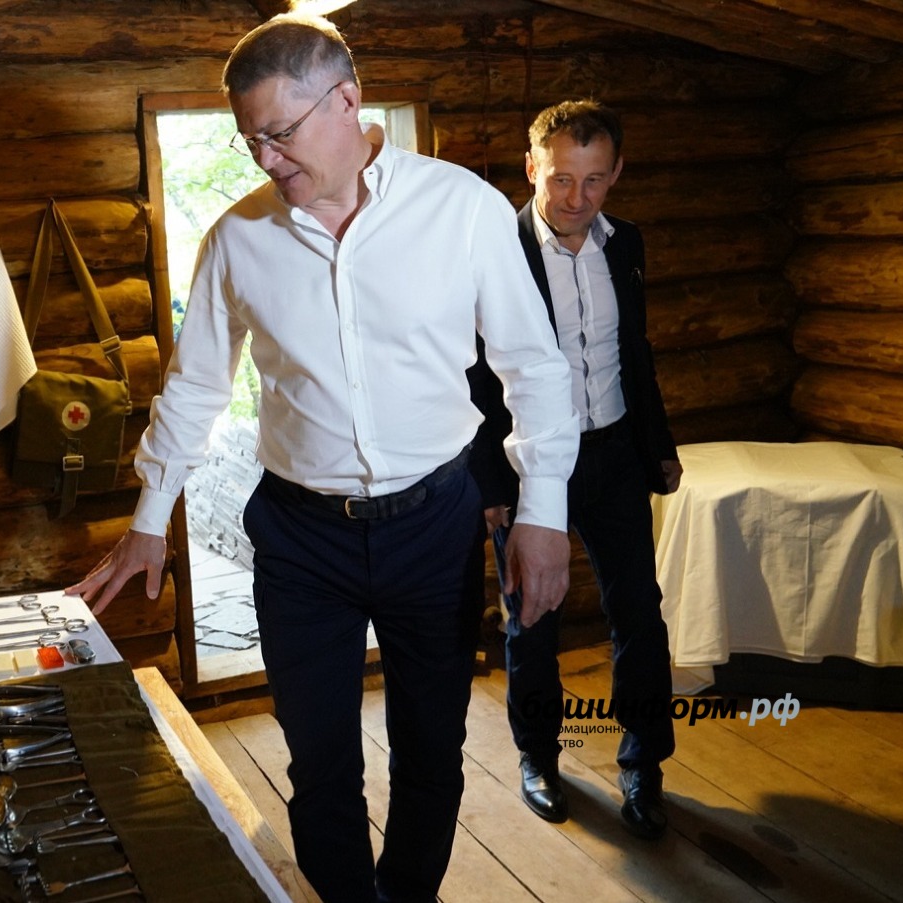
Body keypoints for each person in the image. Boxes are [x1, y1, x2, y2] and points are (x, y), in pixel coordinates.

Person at [67, 14, 579, 902]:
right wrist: (148, 521)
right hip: (300, 541)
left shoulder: (461, 209)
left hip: (435, 525)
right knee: (318, 761)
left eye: (280, 133)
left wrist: (544, 513)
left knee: (433, 747)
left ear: (347, 100)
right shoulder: (236, 239)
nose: (265, 159)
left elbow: (533, 368)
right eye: (250, 141)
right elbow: (193, 391)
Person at [468, 99, 682, 841]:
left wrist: (657, 443)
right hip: (531, 466)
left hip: (616, 453)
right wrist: (492, 484)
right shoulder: (496, 252)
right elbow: (475, 374)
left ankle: (644, 764)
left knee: (640, 613)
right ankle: (538, 757)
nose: (576, 198)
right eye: (561, 178)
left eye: (594, 180)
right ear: (531, 167)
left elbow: (634, 351)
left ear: (616, 173)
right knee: (533, 618)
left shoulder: (628, 244)